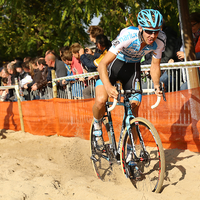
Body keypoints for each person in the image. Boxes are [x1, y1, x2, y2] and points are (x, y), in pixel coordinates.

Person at [92, 9, 166, 151]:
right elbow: (102, 64)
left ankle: (131, 152)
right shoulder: (128, 35)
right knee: (101, 100)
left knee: (134, 110)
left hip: (132, 70)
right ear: (140, 28)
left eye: (156, 31)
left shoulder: (161, 39)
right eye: (149, 31)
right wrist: (108, 87)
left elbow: (155, 65)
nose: (152, 35)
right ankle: (96, 126)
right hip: (114, 66)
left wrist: (157, 85)